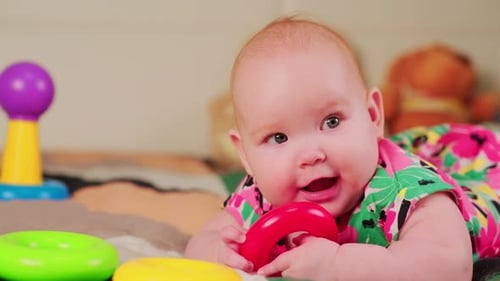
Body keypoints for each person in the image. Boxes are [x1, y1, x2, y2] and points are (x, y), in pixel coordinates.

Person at [185, 16, 500, 281]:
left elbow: (449, 266)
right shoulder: (261, 193)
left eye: (331, 121)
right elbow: (205, 239)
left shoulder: (408, 191)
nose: (311, 155)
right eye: (278, 137)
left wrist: (338, 264)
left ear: (373, 116)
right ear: (245, 156)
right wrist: (214, 250)